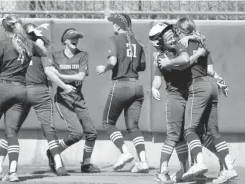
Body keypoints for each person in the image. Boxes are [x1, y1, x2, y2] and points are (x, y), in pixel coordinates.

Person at [158, 17, 237, 183]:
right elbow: (210, 70)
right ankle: (228, 166)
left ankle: (198, 164)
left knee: (189, 130)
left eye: (176, 31)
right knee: (212, 132)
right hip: (211, 86)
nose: (174, 35)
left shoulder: (183, 43)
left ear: (179, 30)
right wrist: (221, 81)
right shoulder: (201, 43)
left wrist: (168, 62)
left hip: (196, 86)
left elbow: (184, 62)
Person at [0, 22, 73, 178]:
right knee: (48, 130)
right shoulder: (38, 50)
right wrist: (64, 85)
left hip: (21, 91)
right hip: (38, 91)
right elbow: (49, 71)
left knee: (11, 130)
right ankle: (58, 163)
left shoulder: (15, 46)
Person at [0, 15, 50, 182]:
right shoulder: (29, 44)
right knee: (12, 133)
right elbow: (44, 51)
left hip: (2, 87)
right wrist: (36, 35)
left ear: (4, 29)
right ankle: (13, 172)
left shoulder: (3, 43)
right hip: (20, 90)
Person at [149, 22, 206, 183]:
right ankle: (162, 171)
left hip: (189, 95)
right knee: (174, 135)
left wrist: (189, 38)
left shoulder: (179, 47)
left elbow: (185, 58)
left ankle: (186, 170)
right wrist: (154, 87)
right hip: (175, 97)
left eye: (171, 33)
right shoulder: (161, 56)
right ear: (160, 41)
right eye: (166, 36)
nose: (171, 37)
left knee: (184, 135)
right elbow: (159, 77)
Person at [95, 14, 149, 173]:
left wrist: (104, 68)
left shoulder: (114, 39)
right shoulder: (138, 43)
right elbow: (142, 66)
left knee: (107, 122)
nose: (112, 25)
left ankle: (125, 153)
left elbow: (112, 62)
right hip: (137, 86)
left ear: (119, 26)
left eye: (114, 23)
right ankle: (143, 161)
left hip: (121, 85)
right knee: (133, 126)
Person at [52, 28, 100, 173]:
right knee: (77, 133)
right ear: (65, 40)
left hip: (78, 98)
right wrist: (60, 79)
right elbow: (50, 74)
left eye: (77, 38)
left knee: (91, 133)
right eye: (72, 37)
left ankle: (86, 164)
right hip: (63, 99)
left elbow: (80, 76)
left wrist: (60, 75)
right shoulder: (55, 56)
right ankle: (54, 152)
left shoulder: (82, 55)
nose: (75, 40)